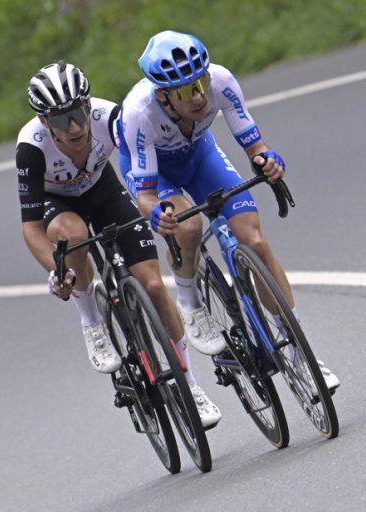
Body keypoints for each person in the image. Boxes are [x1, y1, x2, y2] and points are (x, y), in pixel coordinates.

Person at [117, 31, 340, 391]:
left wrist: (267, 161)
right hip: (154, 173)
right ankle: (189, 299)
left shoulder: (221, 81)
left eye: (201, 81)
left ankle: (302, 352)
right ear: (164, 95)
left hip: (199, 154)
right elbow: (144, 195)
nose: (200, 95)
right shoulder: (139, 115)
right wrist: (157, 213)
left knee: (254, 241)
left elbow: (255, 145)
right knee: (187, 229)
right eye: (188, 90)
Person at [15, 61, 221, 426]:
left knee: (155, 285)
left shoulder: (109, 117)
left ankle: (190, 384)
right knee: (74, 235)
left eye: (78, 113)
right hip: (58, 205)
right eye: (62, 121)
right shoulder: (31, 147)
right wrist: (57, 271)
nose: (75, 127)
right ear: (46, 123)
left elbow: (140, 169)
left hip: (105, 190)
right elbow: (31, 228)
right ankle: (91, 316)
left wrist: (157, 209)